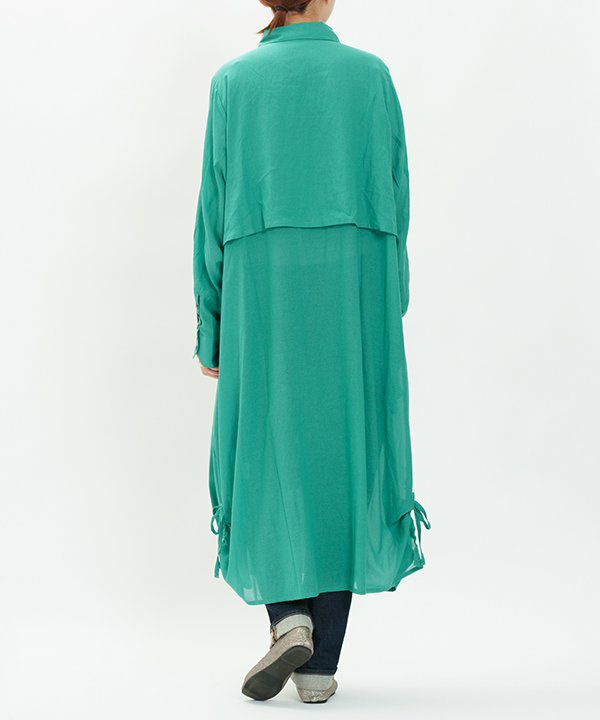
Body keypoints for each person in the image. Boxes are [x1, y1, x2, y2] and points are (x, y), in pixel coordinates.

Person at [193, 0, 430, 703]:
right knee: (343, 454)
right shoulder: (370, 76)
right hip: (354, 286)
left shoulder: (233, 83)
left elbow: (214, 209)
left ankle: (288, 618)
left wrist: (211, 324)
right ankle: (320, 664)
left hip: (262, 290)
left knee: (269, 449)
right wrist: (391, 298)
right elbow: (396, 196)